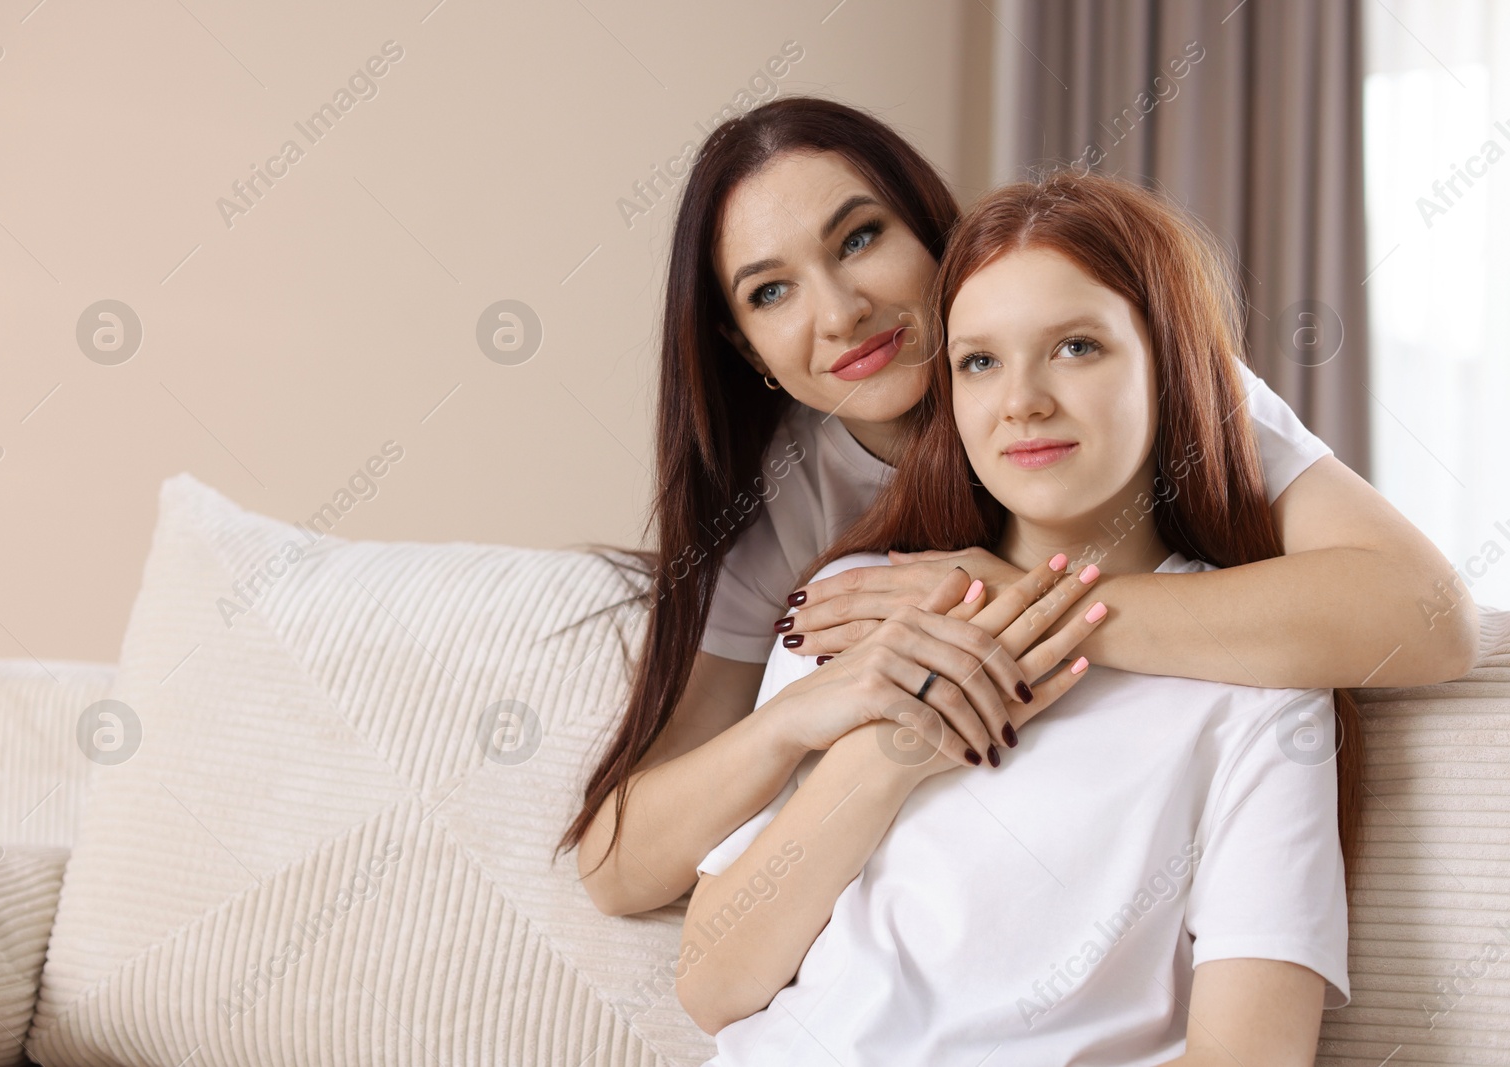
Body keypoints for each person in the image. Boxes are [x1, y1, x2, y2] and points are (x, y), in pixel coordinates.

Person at [558, 97, 1475, 920]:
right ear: (743, 343)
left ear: (935, 236)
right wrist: (803, 714)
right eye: (771, 290)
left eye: (860, 238)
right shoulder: (783, 493)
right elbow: (618, 865)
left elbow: (1430, 617)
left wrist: (1024, 605)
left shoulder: (1130, 375)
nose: (838, 312)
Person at [677, 171, 1358, 1066]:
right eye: (980, 361)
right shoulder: (861, 601)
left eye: (1076, 347)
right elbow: (711, 985)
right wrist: (891, 755)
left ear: (1171, 362)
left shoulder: (1261, 686)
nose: (1022, 399)